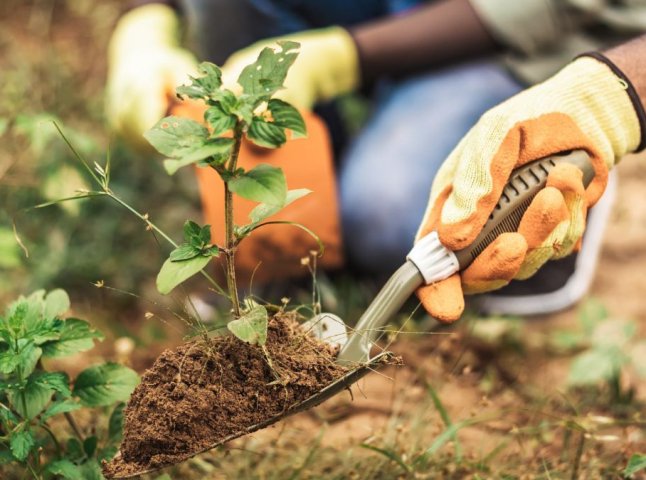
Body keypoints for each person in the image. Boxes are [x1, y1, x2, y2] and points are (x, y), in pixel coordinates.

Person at [106, 0, 646, 321]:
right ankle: (290, 248)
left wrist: (346, 59)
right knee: (302, 233)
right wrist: (142, 25)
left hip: (503, 33)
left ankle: (556, 158)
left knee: (390, 223)